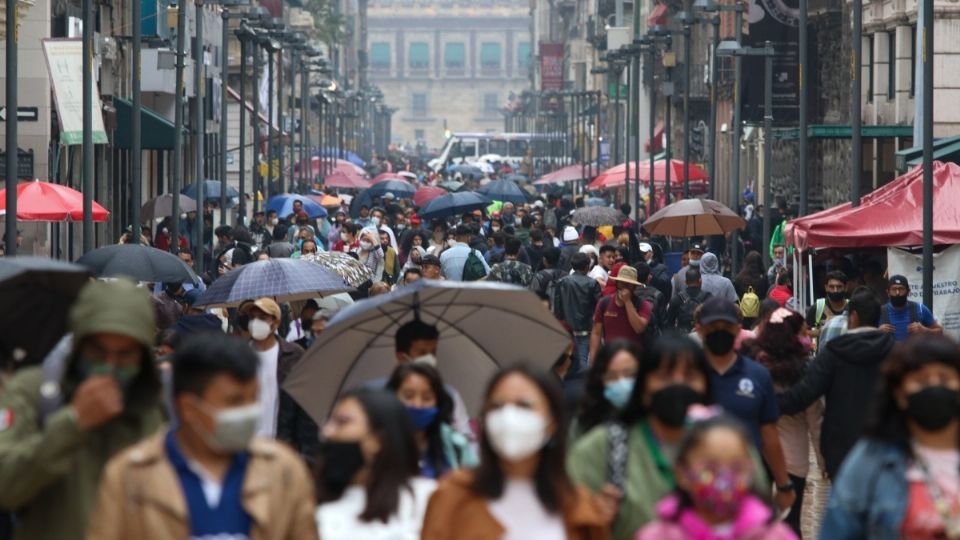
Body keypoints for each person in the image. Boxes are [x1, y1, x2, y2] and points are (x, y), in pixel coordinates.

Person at [87, 333, 319, 540]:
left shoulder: (284, 471)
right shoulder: (129, 476)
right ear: (189, 407)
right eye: (234, 401)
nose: (249, 411)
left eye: (253, 398)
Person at [0, 280, 164, 539]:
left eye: (124, 355)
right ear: (78, 346)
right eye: (97, 352)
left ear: (143, 357)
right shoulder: (34, 392)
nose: (109, 367)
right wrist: (73, 423)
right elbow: (6, 485)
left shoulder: (159, 408)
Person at [421, 366, 610, 539]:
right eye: (497, 406)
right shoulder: (452, 496)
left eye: (524, 406)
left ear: (552, 422)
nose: (509, 416)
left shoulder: (577, 505)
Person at [568, 334, 715, 539]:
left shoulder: (727, 446)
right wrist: (592, 520)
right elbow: (568, 521)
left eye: (689, 375)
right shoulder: (601, 448)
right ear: (644, 387)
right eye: (665, 376)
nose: (677, 384)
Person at [820, 336, 960, 539]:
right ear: (900, 394)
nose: (934, 386)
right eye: (921, 381)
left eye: (945, 378)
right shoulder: (871, 460)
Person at [777, 289, 896, 479]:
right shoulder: (897, 354)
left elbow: (805, 394)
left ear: (853, 317)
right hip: (887, 447)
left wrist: (768, 401)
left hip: (841, 449)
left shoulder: (834, 353)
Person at [695, 297, 795, 515]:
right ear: (700, 329)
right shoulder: (689, 374)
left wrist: (783, 483)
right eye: (713, 326)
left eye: (726, 326)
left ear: (738, 329)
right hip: (695, 484)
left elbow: (769, 433)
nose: (719, 331)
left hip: (748, 482)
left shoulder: (758, 375)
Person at [636, 415, 797, 540]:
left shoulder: (776, 535)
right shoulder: (657, 536)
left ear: (751, 470)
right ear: (681, 474)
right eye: (710, 467)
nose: (724, 479)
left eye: (737, 467)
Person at [314, 389, 436, 540]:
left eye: (343, 421)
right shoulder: (318, 514)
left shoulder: (429, 500)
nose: (328, 432)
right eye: (330, 421)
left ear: (378, 439)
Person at [752, 307, 823, 537]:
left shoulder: (754, 366)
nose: (807, 338)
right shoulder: (804, 370)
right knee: (791, 524)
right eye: (802, 332)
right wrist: (823, 461)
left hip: (759, 453)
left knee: (756, 522)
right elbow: (815, 420)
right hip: (794, 455)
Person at [241, 298, 319, 460]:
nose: (256, 322)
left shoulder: (293, 355)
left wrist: (304, 448)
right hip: (247, 444)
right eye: (253, 318)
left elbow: (304, 403)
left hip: (282, 443)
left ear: (275, 323)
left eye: (262, 318)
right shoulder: (239, 354)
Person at [386, 363, 478, 478]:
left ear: (438, 403)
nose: (418, 405)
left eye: (427, 398)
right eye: (408, 396)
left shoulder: (456, 446)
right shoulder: (375, 446)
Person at [570, 340, 641, 442]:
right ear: (600, 380)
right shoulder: (584, 423)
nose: (622, 382)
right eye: (612, 376)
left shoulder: (654, 421)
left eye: (629, 374)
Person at [554, 253, 603, 378]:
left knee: (567, 361)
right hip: (586, 329)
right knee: (583, 362)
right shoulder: (592, 284)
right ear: (587, 266)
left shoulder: (561, 282)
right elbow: (599, 308)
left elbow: (558, 308)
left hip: (566, 329)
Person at [589, 266, 652, 362]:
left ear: (634, 287)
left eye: (628, 285)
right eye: (622, 284)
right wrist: (593, 360)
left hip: (634, 360)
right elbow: (596, 333)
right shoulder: (604, 303)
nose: (624, 288)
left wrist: (627, 302)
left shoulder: (643, 305)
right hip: (610, 359)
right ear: (616, 283)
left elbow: (639, 328)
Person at [880, 274, 943, 342]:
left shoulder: (921, 309)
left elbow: (940, 332)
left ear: (908, 292)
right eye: (894, 289)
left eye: (901, 289)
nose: (897, 293)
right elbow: (867, 334)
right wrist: (878, 331)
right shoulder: (879, 312)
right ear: (888, 292)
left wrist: (925, 330)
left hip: (915, 351)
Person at [806, 270, 849, 341]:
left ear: (845, 287)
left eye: (839, 287)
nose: (835, 290)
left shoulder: (852, 307)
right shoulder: (818, 307)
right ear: (826, 287)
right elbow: (801, 333)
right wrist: (818, 332)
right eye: (832, 287)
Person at [665, 268, 712, 333]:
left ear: (686, 282)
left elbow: (669, 324)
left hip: (683, 338)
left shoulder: (677, 298)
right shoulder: (709, 298)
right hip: (702, 336)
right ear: (700, 281)